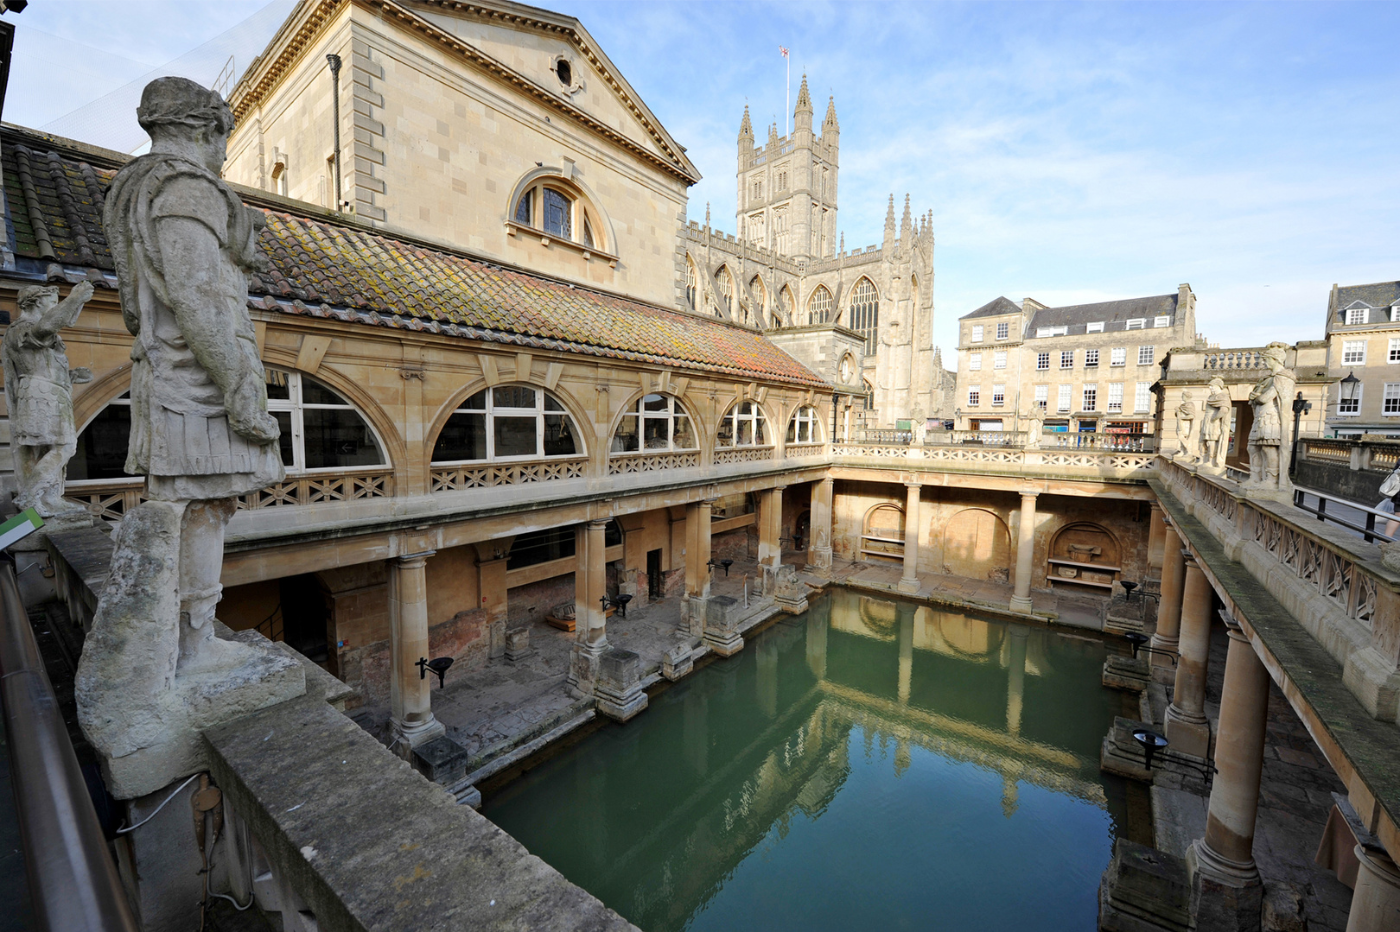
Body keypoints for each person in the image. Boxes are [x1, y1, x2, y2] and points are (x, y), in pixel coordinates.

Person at [103, 77, 284, 671]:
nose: (225, 153)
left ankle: (185, 640)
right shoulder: (185, 186)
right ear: (205, 129)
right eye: (223, 138)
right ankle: (194, 645)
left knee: (188, 508)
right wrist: (240, 390)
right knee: (201, 508)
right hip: (197, 382)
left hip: (168, 373)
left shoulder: (132, 189)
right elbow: (199, 295)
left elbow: (137, 306)